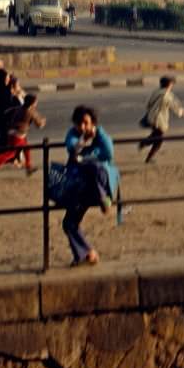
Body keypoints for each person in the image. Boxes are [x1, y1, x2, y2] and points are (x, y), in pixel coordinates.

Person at [61, 105, 119, 266]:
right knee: (68, 223)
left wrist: (97, 134)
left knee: (94, 166)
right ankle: (86, 253)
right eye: (79, 123)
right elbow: (72, 149)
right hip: (80, 186)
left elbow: (109, 153)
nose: (82, 127)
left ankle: (103, 199)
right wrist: (83, 140)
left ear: (93, 123)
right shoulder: (73, 135)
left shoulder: (100, 134)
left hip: (98, 182)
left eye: (86, 123)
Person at [0, 94, 46, 177]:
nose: (36, 103)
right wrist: (43, 122)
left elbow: (7, 112)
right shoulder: (30, 111)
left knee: (26, 149)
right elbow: (39, 125)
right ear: (32, 103)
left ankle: (29, 168)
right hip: (18, 135)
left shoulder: (19, 108)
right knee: (11, 153)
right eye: (36, 102)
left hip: (13, 132)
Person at [138, 76, 184, 164]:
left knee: (155, 135)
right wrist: (181, 112)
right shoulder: (166, 95)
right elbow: (173, 106)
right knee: (159, 140)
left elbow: (148, 103)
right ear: (169, 85)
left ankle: (144, 145)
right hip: (159, 119)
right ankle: (147, 155)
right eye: (171, 84)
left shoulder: (156, 92)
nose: (172, 85)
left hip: (151, 117)